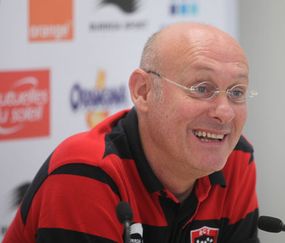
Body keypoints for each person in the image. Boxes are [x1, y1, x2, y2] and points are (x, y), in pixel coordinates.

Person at [3, 22, 259, 243]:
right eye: (202, 88)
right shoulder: (87, 171)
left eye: (237, 92)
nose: (225, 113)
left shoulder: (235, 158)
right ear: (143, 91)